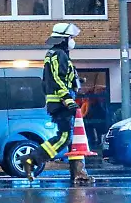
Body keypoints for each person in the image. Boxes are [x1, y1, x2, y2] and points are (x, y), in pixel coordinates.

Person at [22, 22, 94, 185]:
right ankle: (32, 158)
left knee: (67, 138)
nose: (73, 41)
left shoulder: (59, 54)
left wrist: (77, 81)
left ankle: (76, 173)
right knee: (64, 138)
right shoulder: (58, 54)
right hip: (60, 104)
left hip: (60, 102)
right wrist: (68, 100)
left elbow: (59, 77)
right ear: (63, 39)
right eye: (71, 38)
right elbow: (56, 79)